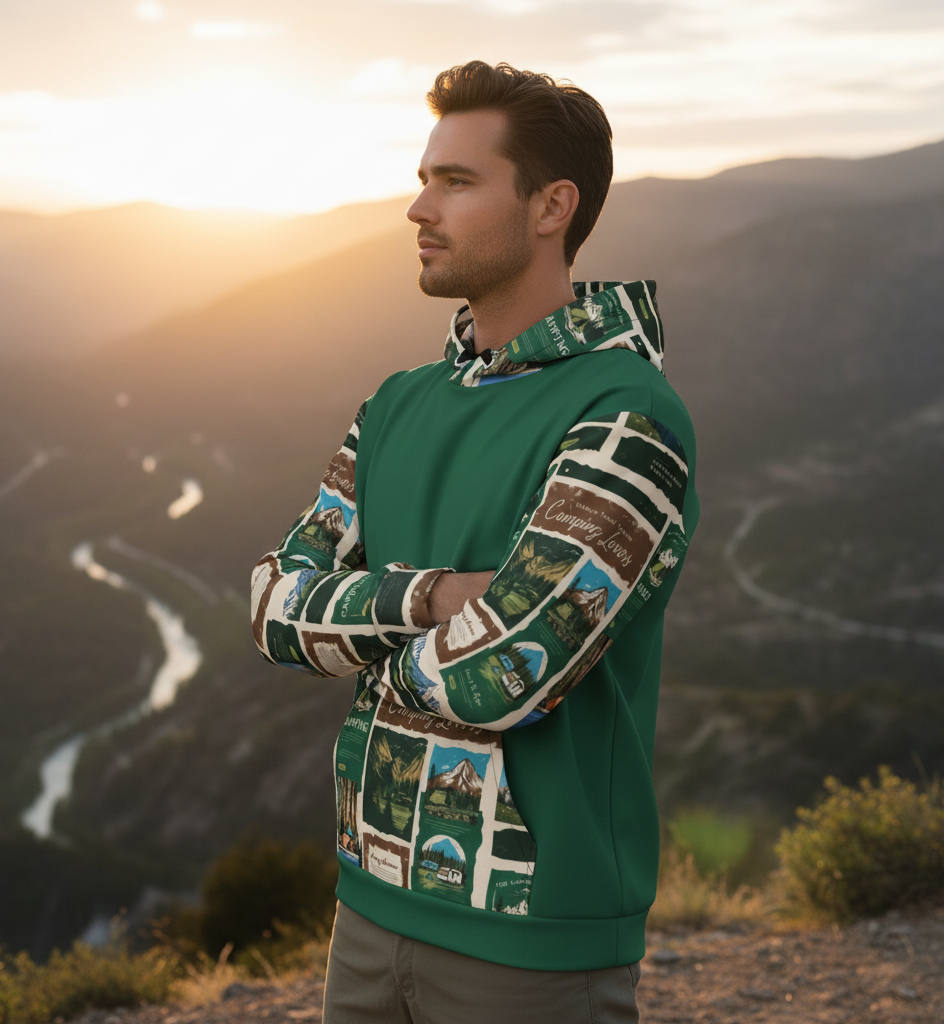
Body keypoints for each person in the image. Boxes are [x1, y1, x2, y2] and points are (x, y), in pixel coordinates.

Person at [251, 60, 699, 1024]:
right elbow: (273, 614)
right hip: (367, 908)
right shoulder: (396, 403)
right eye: (424, 179)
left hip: (536, 940)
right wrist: (439, 597)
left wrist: (366, 627)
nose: (419, 208)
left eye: (456, 182)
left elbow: (502, 672)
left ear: (552, 207)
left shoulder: (625, 414)